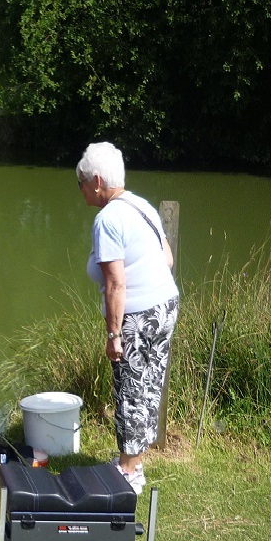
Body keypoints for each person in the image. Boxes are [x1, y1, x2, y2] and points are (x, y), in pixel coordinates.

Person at [75, 142, 179, 494]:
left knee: (130, 388)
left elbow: (115, 282)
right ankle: (134, 460)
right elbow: (167, 259)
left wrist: (114, 334)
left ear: (98, 181)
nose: (81, 189)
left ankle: (130, 472)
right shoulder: (141, 204)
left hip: (136, 314)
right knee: (149, 383)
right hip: (165, 304)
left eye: (82, 182)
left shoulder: (108, 219)